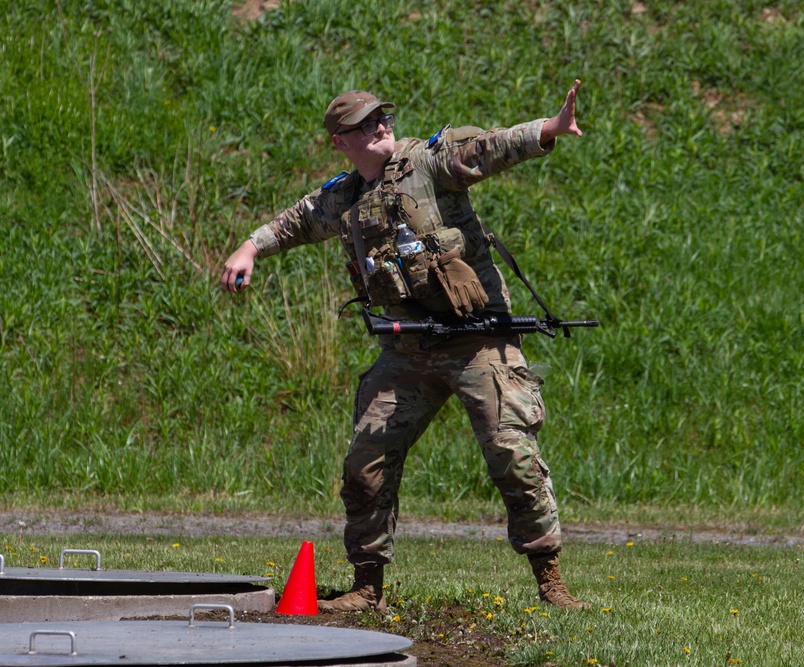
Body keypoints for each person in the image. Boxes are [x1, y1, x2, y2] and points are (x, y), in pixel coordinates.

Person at [221, 80, 589, 611]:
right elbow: (298, 221)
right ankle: (367, 589)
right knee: (366, 460)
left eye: (382, 118)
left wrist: (548, 131)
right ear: (340, 141)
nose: (380, 126)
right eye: (366, 123)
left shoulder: (429, 163)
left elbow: (486, 148)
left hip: (478, 340)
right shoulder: (345, 196)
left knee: (513, 454)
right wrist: (250, 247)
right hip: (408, 352)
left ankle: (551, 583)